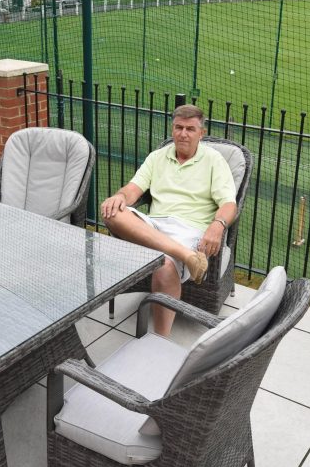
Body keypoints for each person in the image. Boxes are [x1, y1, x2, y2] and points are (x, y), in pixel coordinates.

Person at [101, 104, 237, 336]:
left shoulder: (214, 160)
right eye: (178, 127)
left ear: (201, 133)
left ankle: (159, 340)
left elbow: (229, 204)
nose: (183, 134)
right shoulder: (157, 157)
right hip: (154, 224)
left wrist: (218, 224)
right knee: (111, 210)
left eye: (190, 129)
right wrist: (120, 196)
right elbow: (134, 188)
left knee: (163, 266)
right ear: (172, 129)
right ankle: (187, 258)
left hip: (189, 229)